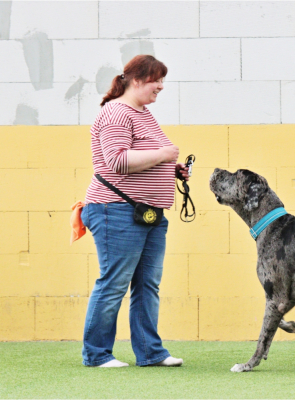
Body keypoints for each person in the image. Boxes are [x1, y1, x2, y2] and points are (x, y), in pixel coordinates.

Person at [78, 55, 188, 368]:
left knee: (147, 285)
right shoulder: (116, 113)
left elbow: (143, 155)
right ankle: (97, 354)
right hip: (117, 211)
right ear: (137, 79)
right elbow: (118, 161)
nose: (161, 87)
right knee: (113, 284)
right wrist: (164, 154)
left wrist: (172, 167)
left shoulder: (143, 114)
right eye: (157, 80)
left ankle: (151, 353)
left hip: (147, 214)